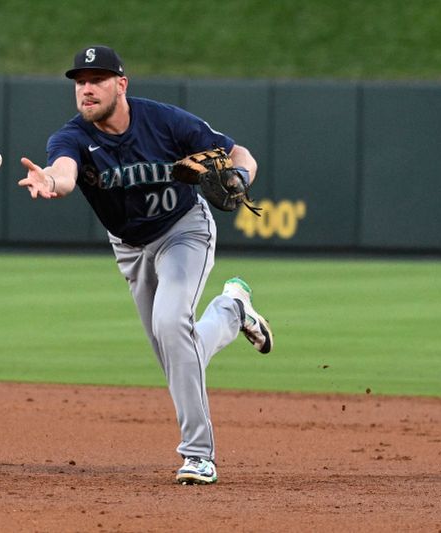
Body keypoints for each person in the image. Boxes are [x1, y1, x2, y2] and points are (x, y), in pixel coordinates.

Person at [18, 45, 274, 485]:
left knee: (172, 325)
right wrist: (51, 181)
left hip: (184, 231)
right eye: (80, 82)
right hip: (131, 247)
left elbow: (241, 154)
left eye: (97, 79)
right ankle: (233, 311)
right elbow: (63, 171)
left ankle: (199, 456)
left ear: (121, 84)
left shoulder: (164, 121)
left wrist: (240, 178)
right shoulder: (72, 138)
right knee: (175, 356)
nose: (86, 89)